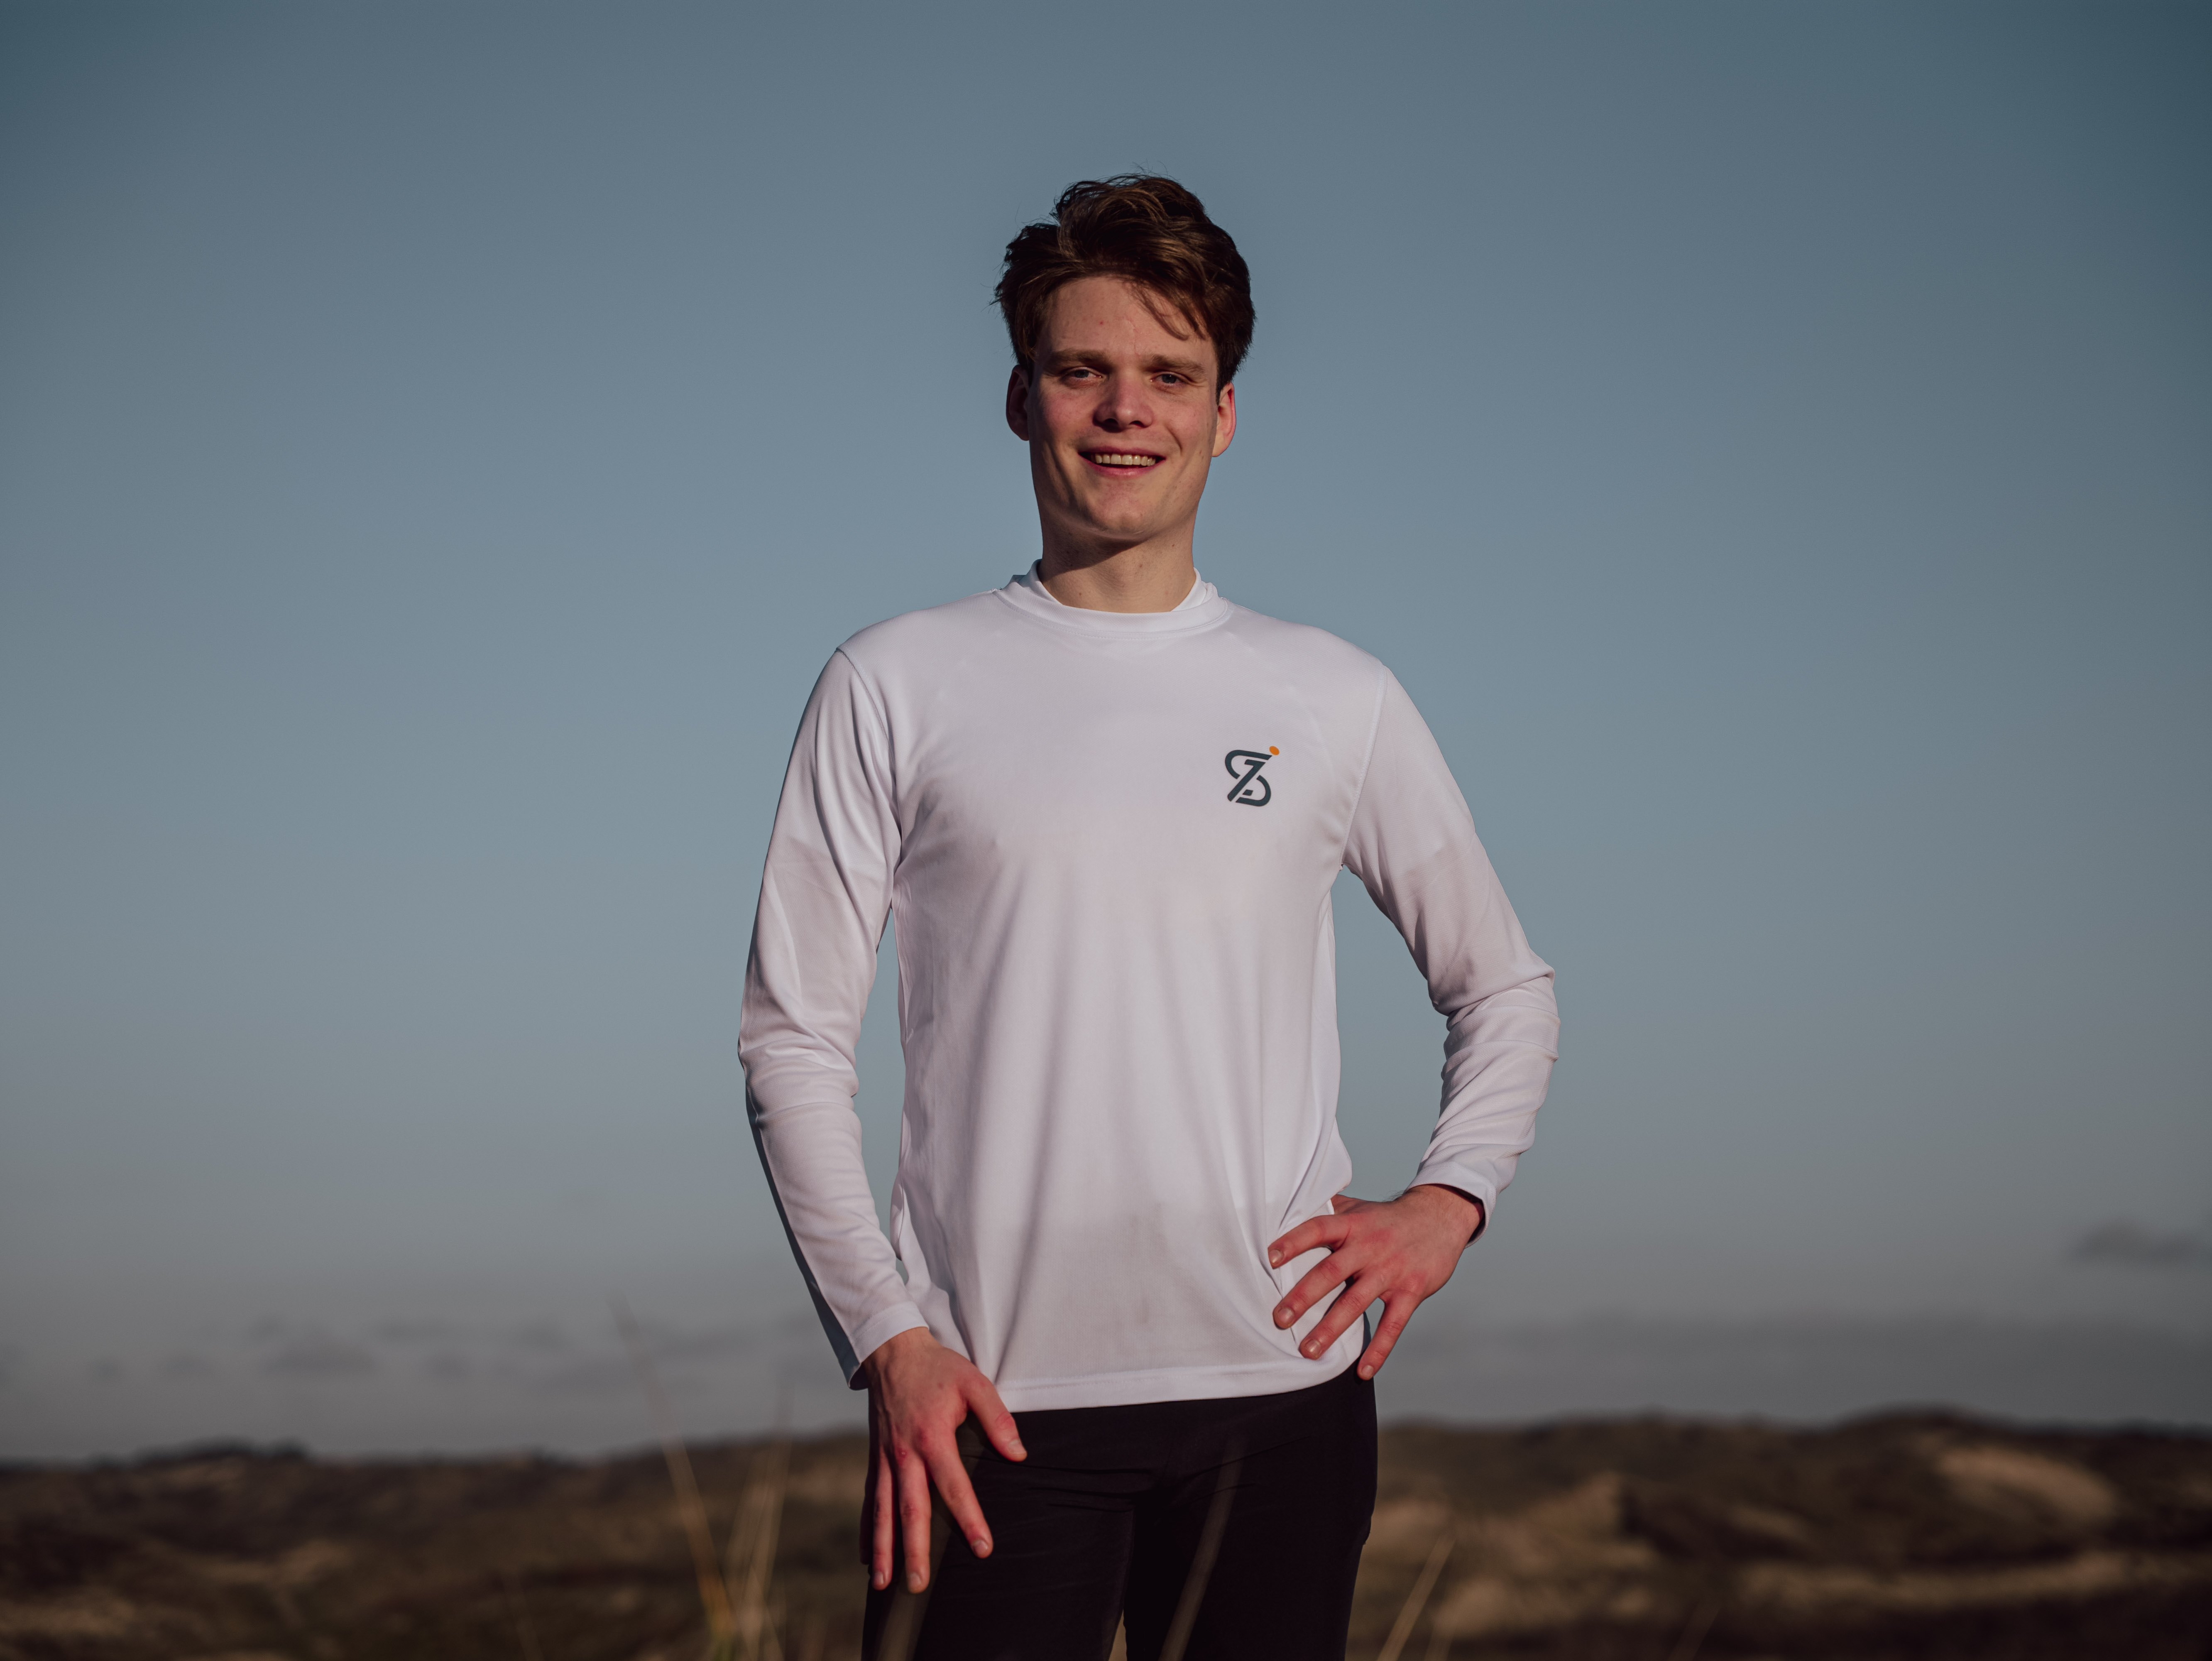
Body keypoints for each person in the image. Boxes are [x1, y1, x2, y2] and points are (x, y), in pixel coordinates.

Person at [739, 175, 1558, 1660]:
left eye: (1171, 375)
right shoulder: (895, 682)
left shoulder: (1334, 696)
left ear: (1226, 412)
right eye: (1083, 369)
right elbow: (793, 1043)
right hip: (986, 1404)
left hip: (1285, 1404)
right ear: (1020, 396)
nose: (1127, 410)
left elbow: (1505, 988)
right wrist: (888, 1340)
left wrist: (1450, 1203)